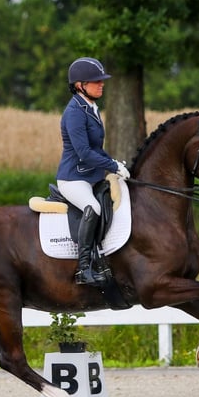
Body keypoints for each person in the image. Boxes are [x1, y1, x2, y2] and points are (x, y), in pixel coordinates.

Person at [56, 57, 131, 286]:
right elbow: (84, 152)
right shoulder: (74, 112)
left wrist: (115, 163)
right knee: (94, 207)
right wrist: (113, 166)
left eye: (101, 80)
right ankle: (83, 268)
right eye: (95, 81)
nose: (101, 84)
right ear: (80, 85)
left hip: (91, 176)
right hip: (73, 178)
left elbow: (97, 149)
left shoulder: (91, 108)